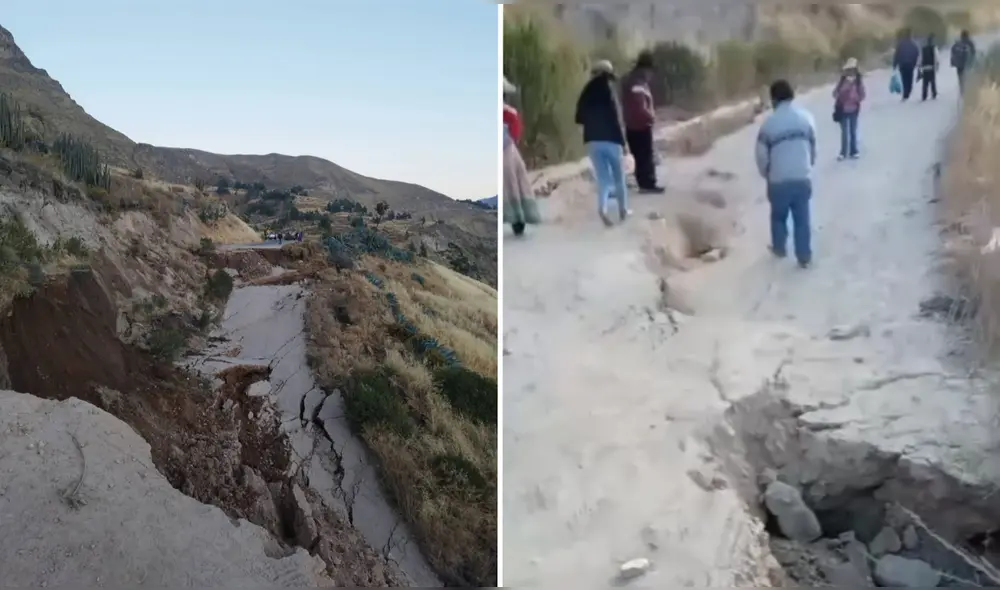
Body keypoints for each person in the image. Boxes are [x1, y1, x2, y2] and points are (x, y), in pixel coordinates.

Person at [755, 79, 817, 269]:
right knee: (802, 219)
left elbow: (761, 156)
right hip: (802, 177)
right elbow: (813, 147)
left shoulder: (768, 125)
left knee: (778, 216)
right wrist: (808, 165)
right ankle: (804, 256)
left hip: (778, 180)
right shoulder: (806, 118)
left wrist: (766, 173)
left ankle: (779, 248)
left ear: (774, 99)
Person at [575, 59, 630, 226]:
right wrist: (624, 143)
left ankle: (603, 208)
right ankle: (623, 210)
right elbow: (616, 118)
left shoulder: (586, 91)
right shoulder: (609, 90)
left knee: (603, 179)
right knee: (619, 177)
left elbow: (579, 118)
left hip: (593, 142)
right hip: (612, 140)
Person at [620, 50, 664, 194]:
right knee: (645, 156)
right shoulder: (637, 83)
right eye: (650, 71)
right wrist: (650, 117)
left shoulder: (632, 80)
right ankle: (647, 184)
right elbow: (639, 106)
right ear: (646, 69)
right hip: (640, 125)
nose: (651, 76)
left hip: (632, 125)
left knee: (640, 156)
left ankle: (644, 183)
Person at [502, 77, 540, 237]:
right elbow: (516, 134)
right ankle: (518, 218)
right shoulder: (510, 113)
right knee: (515, 184)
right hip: (508, 152)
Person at [832, 58, 866, 160]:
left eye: (852, 69)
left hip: (854, 110)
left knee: (853, 131)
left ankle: (853, 151)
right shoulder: (842, 81)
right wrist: (842, 94)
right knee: (844, 133)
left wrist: (855, 98)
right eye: (849, 69)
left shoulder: (858, 82)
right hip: (842, 109)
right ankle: (843, 152)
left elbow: (862, 95)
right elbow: (835, 93)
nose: (850, 72)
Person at [893, 28, 920, 101]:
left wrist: (895, 64)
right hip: (910, 64)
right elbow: (916, 53)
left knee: (904, 79)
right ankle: (908, 91)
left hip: (902, 64)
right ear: (911, 35)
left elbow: (896, 55)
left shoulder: (900, 44)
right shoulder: (913, 44)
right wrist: (915, 63)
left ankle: (906, 92)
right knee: (910, 78)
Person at [951, 30, 977, 95]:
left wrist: (953, 62)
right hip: (967, 64)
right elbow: (974, 52)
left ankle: (962, 90)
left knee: (960, 78)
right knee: (967, 78)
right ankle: (966, 91)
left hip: (959, 64)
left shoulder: (958, 43)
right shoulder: (970, 43)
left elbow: (953, 51)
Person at [919, 34, 940, 101]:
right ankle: (934, 93)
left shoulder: (923, 49)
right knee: (932, 81)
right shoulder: (934, 48)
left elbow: (920, 58)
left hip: (925, 67)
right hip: (931, 67)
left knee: (925, 82)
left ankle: (924, 95)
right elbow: (937, 57)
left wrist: (920, 66)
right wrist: (937, 66)